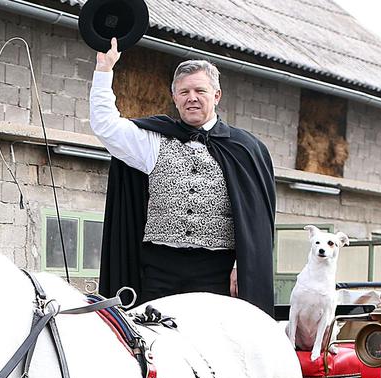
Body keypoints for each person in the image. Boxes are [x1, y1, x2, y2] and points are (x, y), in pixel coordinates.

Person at [91, 39, 277, 314]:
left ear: (216, 96)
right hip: (159, 268)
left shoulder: (246, 149)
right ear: (174, 97)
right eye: (184, 91)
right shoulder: (152, 140)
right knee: (153, 343)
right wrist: (104, 70)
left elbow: (257, 222)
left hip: (218, 270)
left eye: (200, 90)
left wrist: (243, 265)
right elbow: (105, 125)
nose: (192, 97)